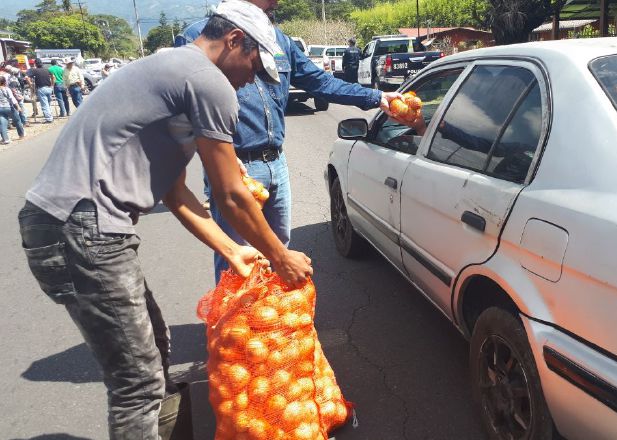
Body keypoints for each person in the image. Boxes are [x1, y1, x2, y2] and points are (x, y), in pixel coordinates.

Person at [18, 1, 312, 438]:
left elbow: (177, 196)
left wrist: (234, 250)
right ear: (234, 40)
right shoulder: (206, 81)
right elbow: (231, 194)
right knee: (138, 383)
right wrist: (280, 256)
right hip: (80, 228)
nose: (254, 79)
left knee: (155, 351)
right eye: (254, 64)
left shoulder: (171, 73)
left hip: (81, 229)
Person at [177, 0, 401, 282]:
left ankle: (273, 323)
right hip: (237, 167)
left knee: (277, 252)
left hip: (276, 164)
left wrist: (377, 98)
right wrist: (221, 160)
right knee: (237, 260)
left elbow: (320, 82)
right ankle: (236, 325)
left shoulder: (278, 39)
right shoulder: (201, 36)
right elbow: (187, 110)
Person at [26, 58, 55, 123]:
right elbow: (53, 77)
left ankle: (49, 118)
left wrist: (30, 84)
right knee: (48, 103)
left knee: (45, 104)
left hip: (41, 88)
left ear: (35, 64)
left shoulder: (35, 71)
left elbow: (26, 77)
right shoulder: (47, 70)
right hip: (49, 88)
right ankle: (50, 116)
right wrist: (52, 84)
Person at [0, 76, 24, 144]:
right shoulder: (6, 89)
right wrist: (18, 107)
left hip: (0, 109)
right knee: (17, 120)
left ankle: (5, 139)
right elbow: (12, 98)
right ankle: (21, 135)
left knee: (2, 124)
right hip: (9, 107)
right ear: (4, 82)